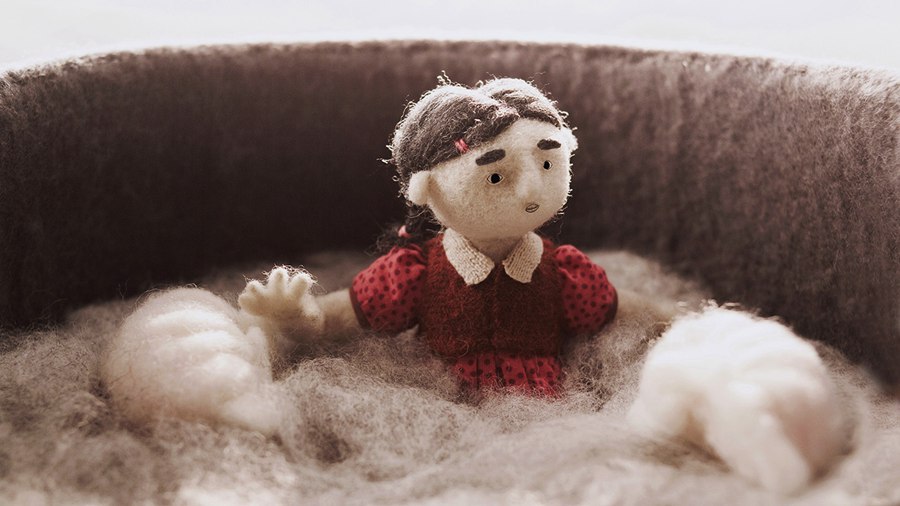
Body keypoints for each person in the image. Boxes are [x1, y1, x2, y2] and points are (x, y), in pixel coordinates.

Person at [239, 78, 617, 396]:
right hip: (442, 404)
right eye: (496, 176)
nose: (530, 190)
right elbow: (336, 320)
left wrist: (657, 321)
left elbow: (615, 310)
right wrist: (296, 316)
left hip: (548, 413)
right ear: (426, 187)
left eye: (547, 163)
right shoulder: (414, 273)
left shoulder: (563, 271)